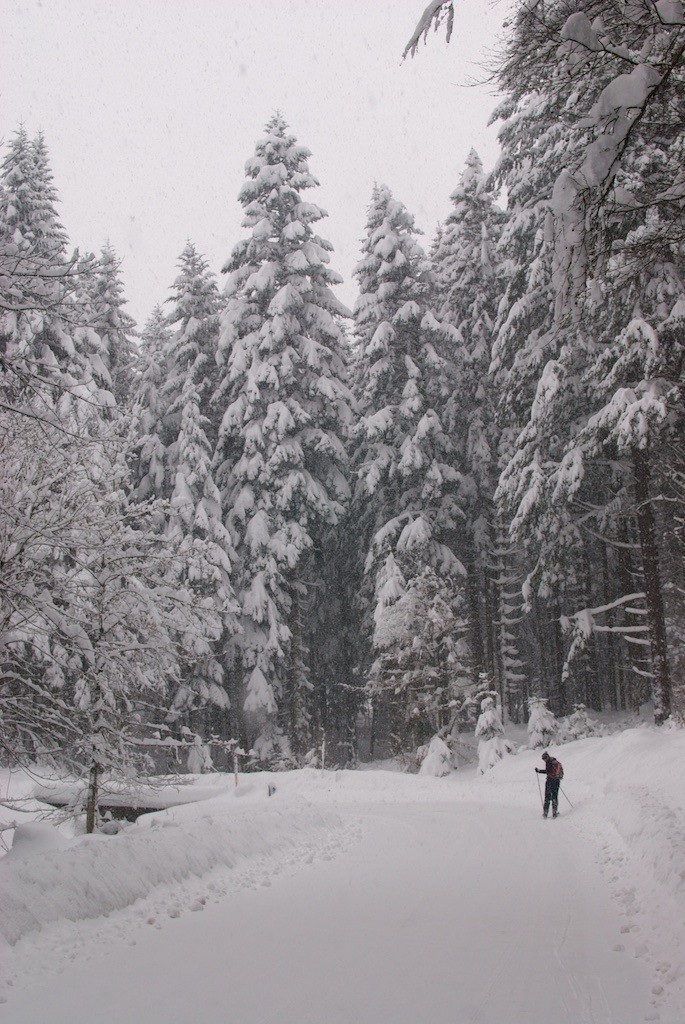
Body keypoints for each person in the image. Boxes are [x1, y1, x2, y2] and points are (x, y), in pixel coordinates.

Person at [535, 751, 564, 818]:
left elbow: (548, 771)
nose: (544, 760)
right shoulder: (555, 761)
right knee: (554, 796)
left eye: (543, 759)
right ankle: (554, 813)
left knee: (547, 797)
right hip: (556, 780)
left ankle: (545, 813)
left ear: (546, 758)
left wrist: (539, 771)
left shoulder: (549, 762)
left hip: (550, 781)